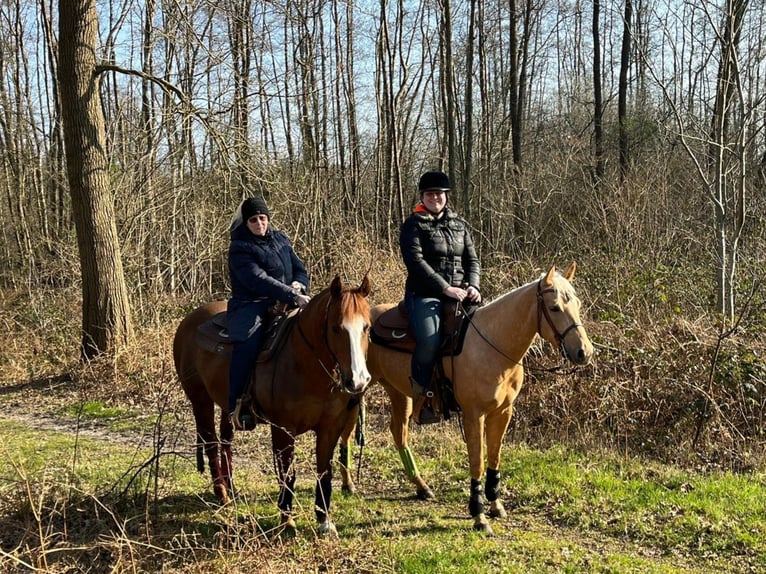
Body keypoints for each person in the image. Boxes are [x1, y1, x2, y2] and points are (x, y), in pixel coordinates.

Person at [399, 170, 482, 424]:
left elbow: (472, 260)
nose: (435, 197)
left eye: (439, 193)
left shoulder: (459, 225)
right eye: (430, 193)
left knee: (484, 334)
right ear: (422, 196)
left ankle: (470, 391)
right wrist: (445, 288)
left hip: (462, 294)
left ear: (446, 196)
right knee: (429, 340)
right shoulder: (413, 225)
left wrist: (474, 286)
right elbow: (416, 262)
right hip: (424, 295)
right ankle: (422, 398)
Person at [227, 196, 311, 430]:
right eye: (253, 220)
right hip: (252, 304)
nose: (259, 223)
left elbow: (300, 269)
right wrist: (291, 294)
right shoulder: (239, 248)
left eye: (263, 218)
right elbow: (257, 280)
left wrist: (298, 285)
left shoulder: (281, 239)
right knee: (248, 342)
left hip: (288, 300)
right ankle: (237, 403)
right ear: (245, 223)